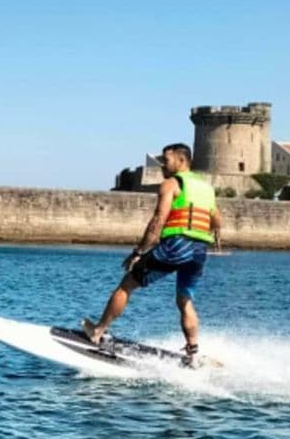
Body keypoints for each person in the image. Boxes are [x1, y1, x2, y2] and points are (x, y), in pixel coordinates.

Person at [82, 143, 222, 366]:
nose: (162, 166)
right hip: (199, 250)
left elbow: (158, 221)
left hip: (177, 245)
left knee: (127, 284)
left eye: (166, 161)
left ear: (181, 161)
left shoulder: (171, 184)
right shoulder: (206, 188)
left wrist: (138, 252)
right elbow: (217, 221)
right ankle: (193, 352)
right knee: (184, 300)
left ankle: (97, 331)